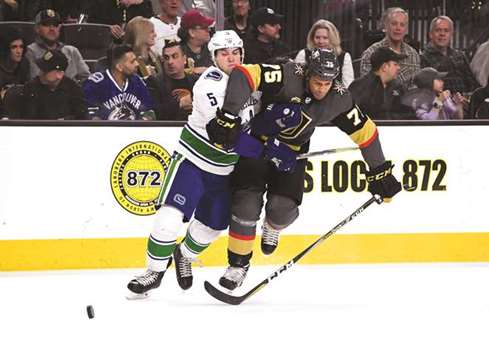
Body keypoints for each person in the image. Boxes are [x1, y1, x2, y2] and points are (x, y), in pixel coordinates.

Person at [214, 48, 402, 290]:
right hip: (256, 145)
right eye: (317, 81)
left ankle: (272, 226)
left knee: (281, 210)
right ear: (307, 74)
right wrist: (228, 115)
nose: (322, 88)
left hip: (292, 152)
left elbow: (366, 132)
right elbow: (243, 74)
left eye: (327, 82)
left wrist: (379, 171)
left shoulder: (339, 98)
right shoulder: (287, 74)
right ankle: (238, 266)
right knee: (246, 205)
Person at [126, 30, 265, 298]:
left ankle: (183, 255)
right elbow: (226, 136)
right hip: (192, 162)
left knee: (213, 225)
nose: (231, 58)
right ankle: (153, 273)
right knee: (169, 218)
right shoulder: (208, 85)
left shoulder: (252, 81)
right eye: (224, 53)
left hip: (224, 170)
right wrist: (264, 151)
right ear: (214, 58)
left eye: (236, 52)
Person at [83, 44, 155, 120]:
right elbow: (91, 117)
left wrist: (142, 123)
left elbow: (149, 112)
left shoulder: (137, 81)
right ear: (119, 67)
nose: (137, 64)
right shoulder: (95, 83)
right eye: (132, 61)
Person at [360, 7, 420, 89]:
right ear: (386, 26)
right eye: (394, 24)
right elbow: (366, 87)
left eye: (402, 25)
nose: (398, 28)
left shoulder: (413, 55)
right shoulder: (371, 53)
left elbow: (416, 88)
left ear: (406, 30)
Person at [25, 9, 90, 83]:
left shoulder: (72, 51)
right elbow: (36, 81)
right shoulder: (30, 51)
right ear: (37, 28)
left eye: (55, 25)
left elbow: (87, 78)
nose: (52, 29)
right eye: (46, 24)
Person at [21, 50, 88, 120]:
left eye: (45, 71)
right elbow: (27, 119)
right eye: (41, 69)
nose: (40, 74)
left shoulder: (74, 90)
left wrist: (65, 121)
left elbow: (82, 117)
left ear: (60, 74)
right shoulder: (30, 88)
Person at [421, 16, 479, 96]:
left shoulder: (460, 56)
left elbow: (473, 85)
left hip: (464, 102)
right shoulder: (423, 58)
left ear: (451, 34)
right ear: (431, 34)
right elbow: (424, 91)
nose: (442, 34)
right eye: (438, 30)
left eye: (446, 30)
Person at [349, 47, 413, 120]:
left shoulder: (398, 87)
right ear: (384, 67)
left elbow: (408, 114)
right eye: (395, 64)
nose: (398, 68)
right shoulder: (358, 87)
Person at [147, 39, 198, 120]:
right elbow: (155, 112)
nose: (170, 62)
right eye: (166, 58)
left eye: (175, 56)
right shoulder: (154, 82)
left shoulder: (197, 82)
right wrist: (180, 103)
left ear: (184, 59)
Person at [295, 19, 354, 87]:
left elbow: (348, 86)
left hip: (336, 96)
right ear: (312, 38)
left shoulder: (344, 57)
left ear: (333, 39)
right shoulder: (304, 54)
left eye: (325, 38)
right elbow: (296, 83)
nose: (321, 41)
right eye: (317, 37)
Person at [88, 0, 154, 42]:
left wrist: (139, 4)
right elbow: (90, 27)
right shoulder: (101, 3)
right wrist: (107, 28)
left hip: (134, 47)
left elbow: (148, 27)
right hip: (106, 45)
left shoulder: (144, 3)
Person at [0, 27, 30, 113]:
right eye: (14, 47)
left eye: (21, 47)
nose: (19, 51)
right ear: (5, 49)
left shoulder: (24, 64)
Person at [177, 9, 214, 75]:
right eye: (204, 27)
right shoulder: (178, 52)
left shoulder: (212, 47)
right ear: (191, 32)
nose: (209, 30)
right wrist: (192, 71)